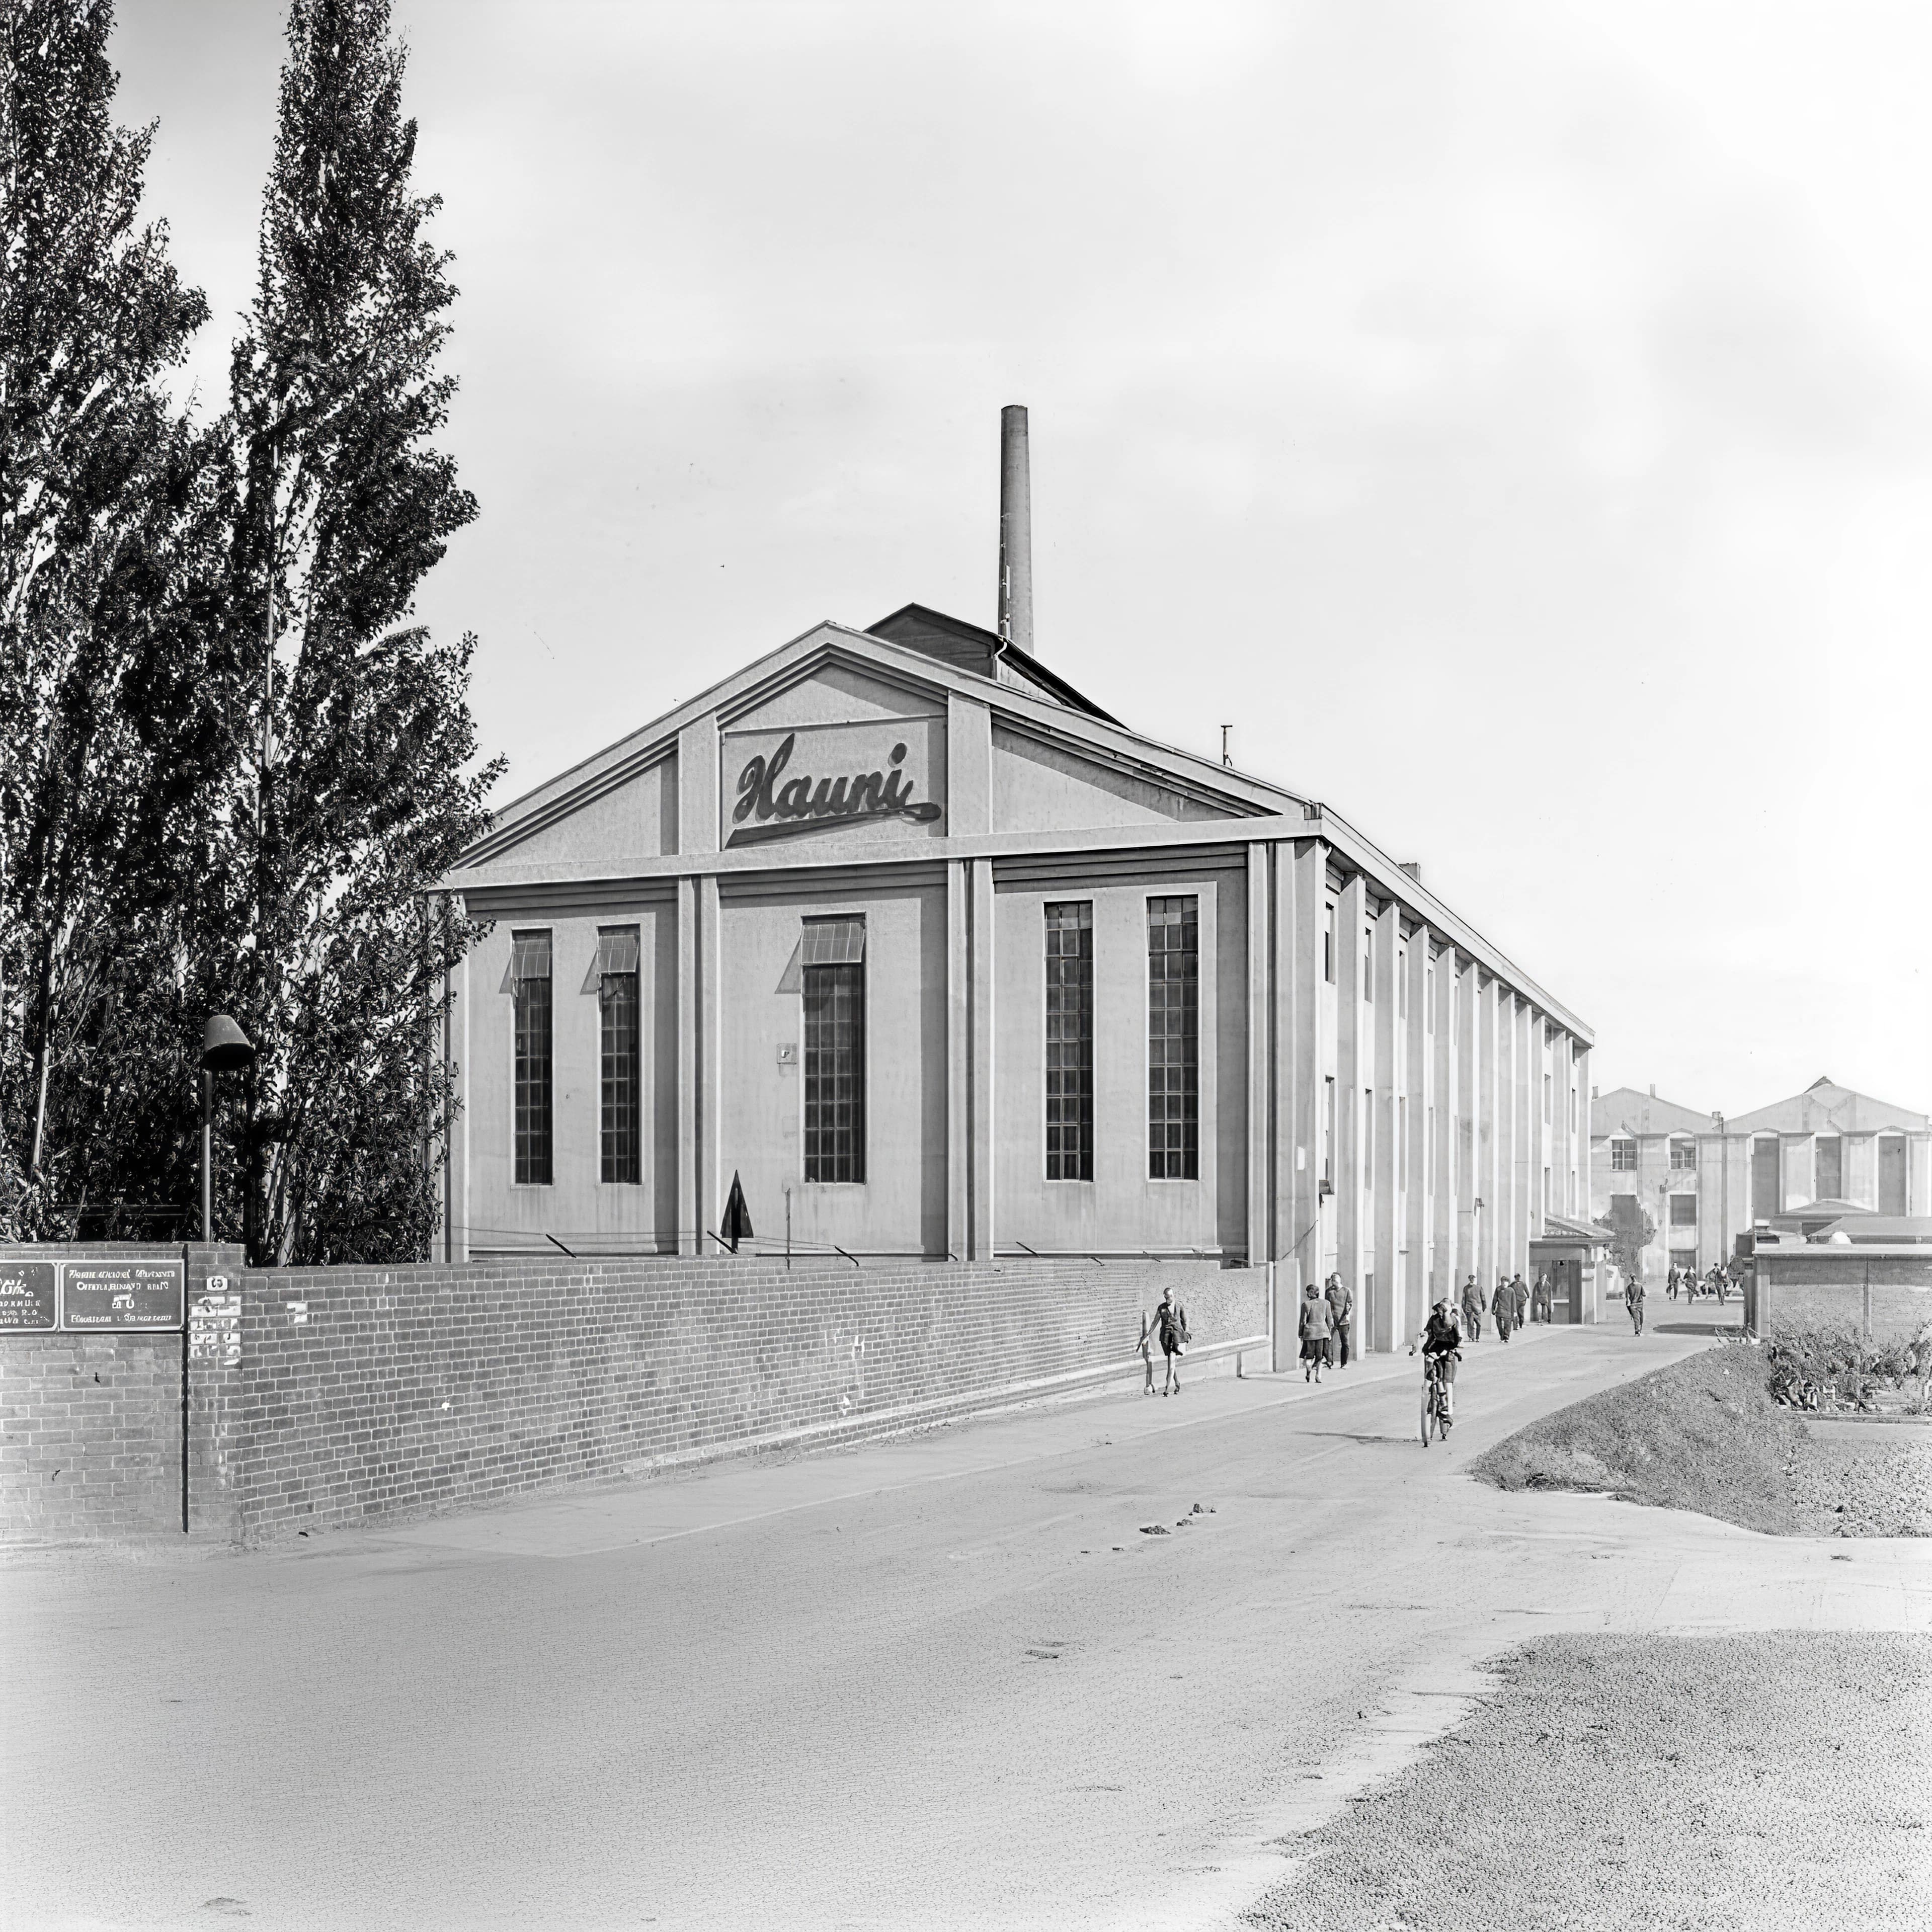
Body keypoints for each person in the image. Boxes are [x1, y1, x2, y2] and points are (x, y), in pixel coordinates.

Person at [1411, 1294, 1464, 1425]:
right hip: (1436, 1346)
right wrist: (1425, 1334)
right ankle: (1431, 1389)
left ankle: (1447, 1409)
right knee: (1430, 1362)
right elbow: (1428, 1330)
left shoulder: (1454, 1319)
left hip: (1449, 1348)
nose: (1441, 1312)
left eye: (1444, 1309)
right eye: (1440, 1309)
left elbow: (1457, 1338)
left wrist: (1452, 1349)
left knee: (1448, 1381)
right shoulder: (1434, 1319)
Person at [1152, 1285, 1189, 1394]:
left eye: (1171, 1297)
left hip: (1177, 1335)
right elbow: (1155, 1321)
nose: (1170, 1299)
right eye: (1168, 1298)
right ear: (1165, 1297)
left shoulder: (1179, 1306)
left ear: (1173, 1296)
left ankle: (1168, 1386)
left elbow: (1184, 1321)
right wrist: (1148, 1333)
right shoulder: (1162, 1308)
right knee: (1171, 1360)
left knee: (1172, 1360)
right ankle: (1176, 1383)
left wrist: (1184, 1334)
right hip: (1166, 1337)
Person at [1299, 1282, 1333, 1384]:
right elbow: (1330, 1320)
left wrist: (1301, 1334)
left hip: (1310, 1334)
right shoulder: (1327, 1303)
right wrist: (1330, 1333)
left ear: (1309, 1294)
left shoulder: (1306, 1305)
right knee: (1320, 1356)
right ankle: (1319, 1376)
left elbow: (1303, 1322)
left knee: (1308, 1356)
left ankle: (1309, 1370)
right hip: (1323, 1333)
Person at [1324, 1272, 1353, 1370]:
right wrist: (1329, 1319)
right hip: (1332, 1321)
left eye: (1336, 1280)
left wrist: (1347, 1311)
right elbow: (1327, 1306)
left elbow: (1349, 1304)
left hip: (1344, 1321)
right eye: (1333, 1280)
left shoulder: (1347, 1291)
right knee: (1328, 1341)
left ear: (1340, 1280)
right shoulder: (1329, 1292)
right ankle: (1329, 1362)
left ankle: (1344, 1363)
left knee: (1345, 1343)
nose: (1334, 1282)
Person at [1460, 1273, 1486, 1343]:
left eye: (1473, 1280)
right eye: (1471, 1280)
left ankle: (1477, 1337)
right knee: (1470, 1324)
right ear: (1470, 1280)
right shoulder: (1466, 1288)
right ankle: (1472, 1337)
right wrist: (1464, 1308)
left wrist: (1484, 1307)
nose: (1472, 1281)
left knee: (1478, 1324)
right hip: (1470, 1309)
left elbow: (1483, 1297)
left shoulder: (1479, 1288)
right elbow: (1464, 1299)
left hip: (1477, 1308)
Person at [1624, 1270, 1644, 1336]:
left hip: (1633, 1305)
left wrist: (1629, 1309)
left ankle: (1637, 1331)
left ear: (1631, 1279)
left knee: (1636, 1319)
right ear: (1636, 1278)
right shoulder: (1640, 1285)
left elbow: (1627, 1299)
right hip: (1640, 1304)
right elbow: (1644, 1294)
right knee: (1641, 1318)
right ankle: (1639, 1331)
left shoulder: (1629, 1287)